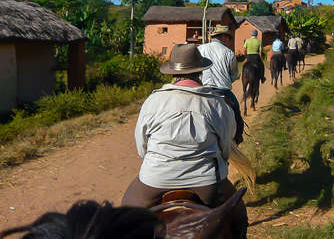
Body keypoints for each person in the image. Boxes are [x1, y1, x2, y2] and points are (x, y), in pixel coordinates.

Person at [121, 44, 248, 238]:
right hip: (206, 183)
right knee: (238, 214)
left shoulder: (153, 101)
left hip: (156, 179)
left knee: (124, 216)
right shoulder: (216, 103)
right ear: (200, 71)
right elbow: (225, 147)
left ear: (173, 73)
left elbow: (142, 146)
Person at [0, 200, 166, 239]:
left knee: (132, 197)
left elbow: (141, 143)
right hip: (192, 176)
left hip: (155, 176)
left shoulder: (150, 109)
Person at [197, 25, 244, 144]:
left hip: (202, 89)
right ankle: (238, 136)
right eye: (228, 37)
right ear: (223, 37)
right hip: (223, 91)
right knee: (236, 112)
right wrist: (226, 79)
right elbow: (234, 75)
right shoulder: (229, 53)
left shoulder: (200, 49)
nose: (228, 40)